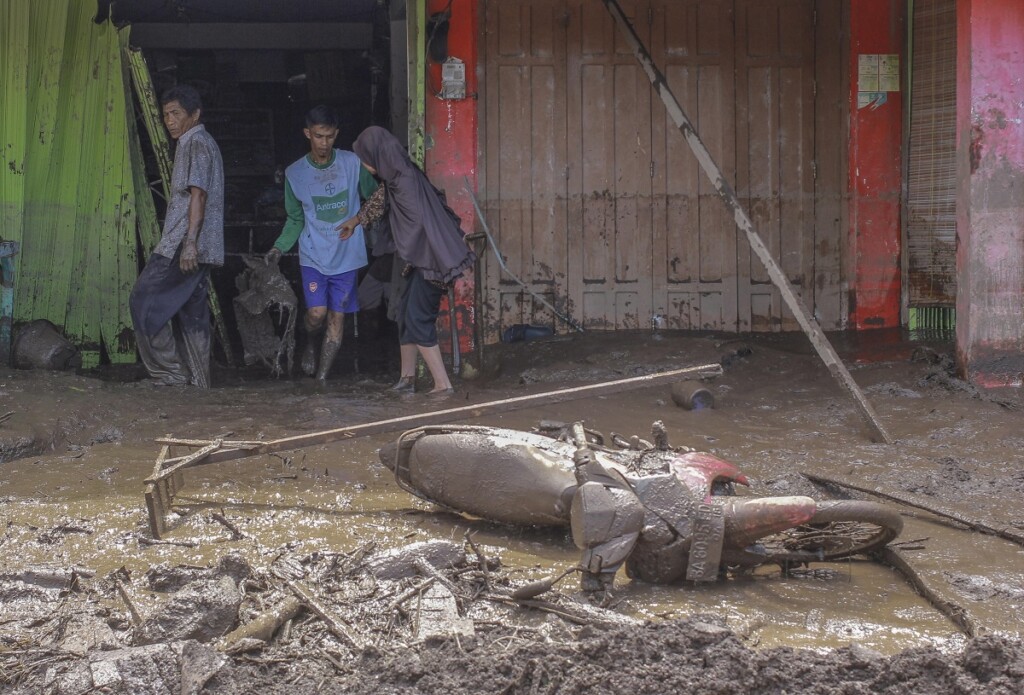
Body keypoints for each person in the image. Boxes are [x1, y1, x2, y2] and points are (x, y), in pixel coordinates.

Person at [337, 126, 475, 398]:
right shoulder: (397, 177)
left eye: (365, 158)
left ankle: (443, 385)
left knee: (417, 318)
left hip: (432, 261)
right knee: (403, 314)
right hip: (422, 259)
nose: (364, 165)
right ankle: (407, 378)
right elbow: (381, 199)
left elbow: (416, 224)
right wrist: (355, 221)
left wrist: (405, 250)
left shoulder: (405, 182)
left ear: (377, 155)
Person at [265, 106, 378, 381]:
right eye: (318, 136)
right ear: (307, 134)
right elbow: (295, 219)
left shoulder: (352, 164)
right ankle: (310, 342)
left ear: (336, 134)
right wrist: (278, 248)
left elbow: (376, 198)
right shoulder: (295, 174)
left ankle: (321, 381)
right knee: (316, 314)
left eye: (329, 137)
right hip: (313, 255)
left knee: (337, 319)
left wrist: (359, 219)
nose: (324, 143)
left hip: (347, 256)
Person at [130, 84, 224, 388]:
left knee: (143, 300)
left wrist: (189, 243)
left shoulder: (195, 143)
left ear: (194, 115)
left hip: (182, 244)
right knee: (192, 312)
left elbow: (198, 195)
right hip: (203, 247)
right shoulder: (202, 143)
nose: (169, 121)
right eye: (165, 115)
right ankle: (199, 381)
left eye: (176, 113)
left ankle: (169, 374)